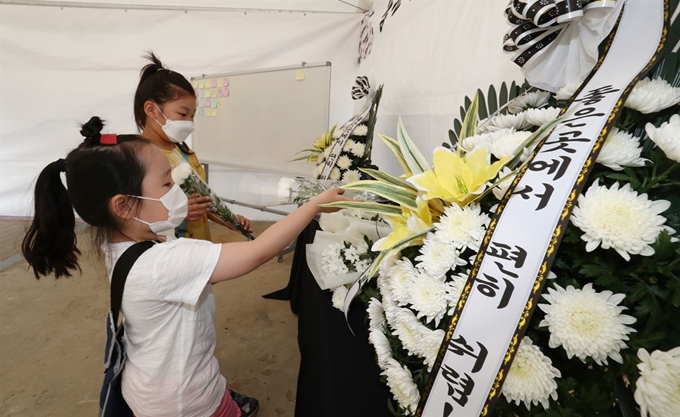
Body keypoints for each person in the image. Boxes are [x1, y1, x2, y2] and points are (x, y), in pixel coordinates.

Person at [21, 117, 348, 417]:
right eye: (166, 185)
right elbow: (257, 253)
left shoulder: (120, 245)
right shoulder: (165, 262)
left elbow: (180, 281)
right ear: (122, 205)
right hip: (188, 403)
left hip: (150, 387)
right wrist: (315, 204)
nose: (178, 192)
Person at [133, 52, 251, 241]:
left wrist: (229, 219)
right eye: (182, 114)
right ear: (151, 109)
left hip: (198, 246)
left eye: (192, 115)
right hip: (165, 251)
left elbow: (203, 201)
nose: (189, 122)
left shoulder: (186, 153)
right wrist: (178, 212)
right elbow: (131, 214)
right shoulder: (135, 156)